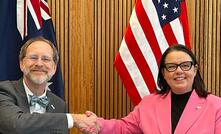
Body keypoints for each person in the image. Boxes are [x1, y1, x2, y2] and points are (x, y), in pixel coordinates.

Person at [85, 44, 221, 133]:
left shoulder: (216, 106)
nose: (179, 71)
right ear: (164, 73)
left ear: (195, 70)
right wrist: (99, 125)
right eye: (171, 66)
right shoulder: (149, 103)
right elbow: (124, 128)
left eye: (185, 65)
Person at [0, 36, 98, 134]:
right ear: (21, 64)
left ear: (54, 68)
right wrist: (74, 119)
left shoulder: (59, 105)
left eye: (46, 59)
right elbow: (16, 125)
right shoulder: (4, 91)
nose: (39, 64)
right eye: (33, 57)